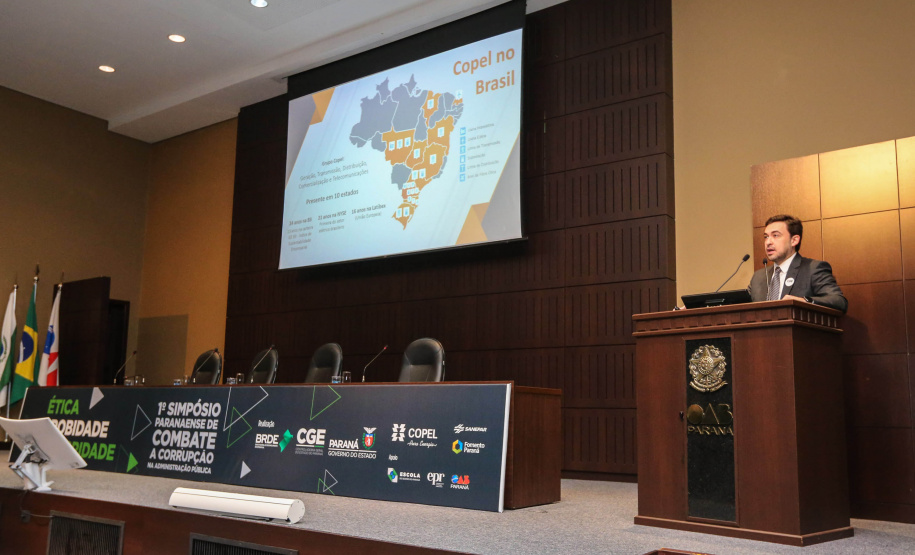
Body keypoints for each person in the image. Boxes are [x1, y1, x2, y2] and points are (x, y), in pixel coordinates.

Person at [747, 214, 847, 313]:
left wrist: (804, 301)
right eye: (766, 237)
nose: (768, 242)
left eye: (775, 235)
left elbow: (838, 301)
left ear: (794, 240)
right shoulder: (758, 277)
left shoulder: (813, 269)